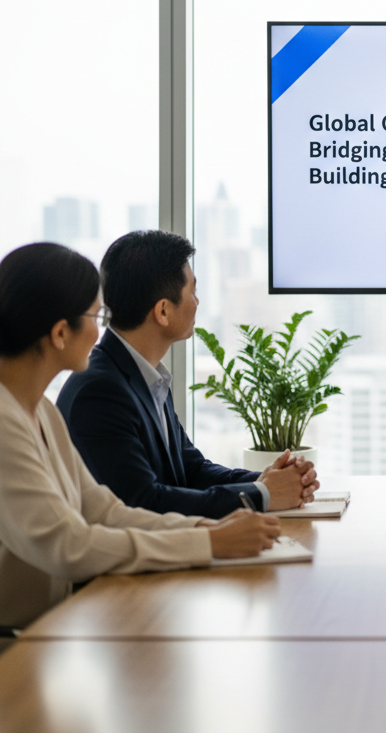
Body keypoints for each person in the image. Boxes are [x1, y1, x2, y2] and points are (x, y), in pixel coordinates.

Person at [0, 243, 280, 630]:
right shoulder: (6, 421)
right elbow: (69, 544)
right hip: (15, 643)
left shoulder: (40, 412)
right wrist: (208, 544)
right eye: (96, 316)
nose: (101, 330)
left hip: (49, 628)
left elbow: (106, 511)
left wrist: (208, 530)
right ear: (61, 332)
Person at [57, 230, 318, 518]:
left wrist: (266, 480)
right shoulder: (99, 392)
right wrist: (264, 495)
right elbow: (143, 502)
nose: (197, 302)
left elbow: (190, 469)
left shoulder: (146, 376)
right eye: (192, 291)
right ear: (163, 311)